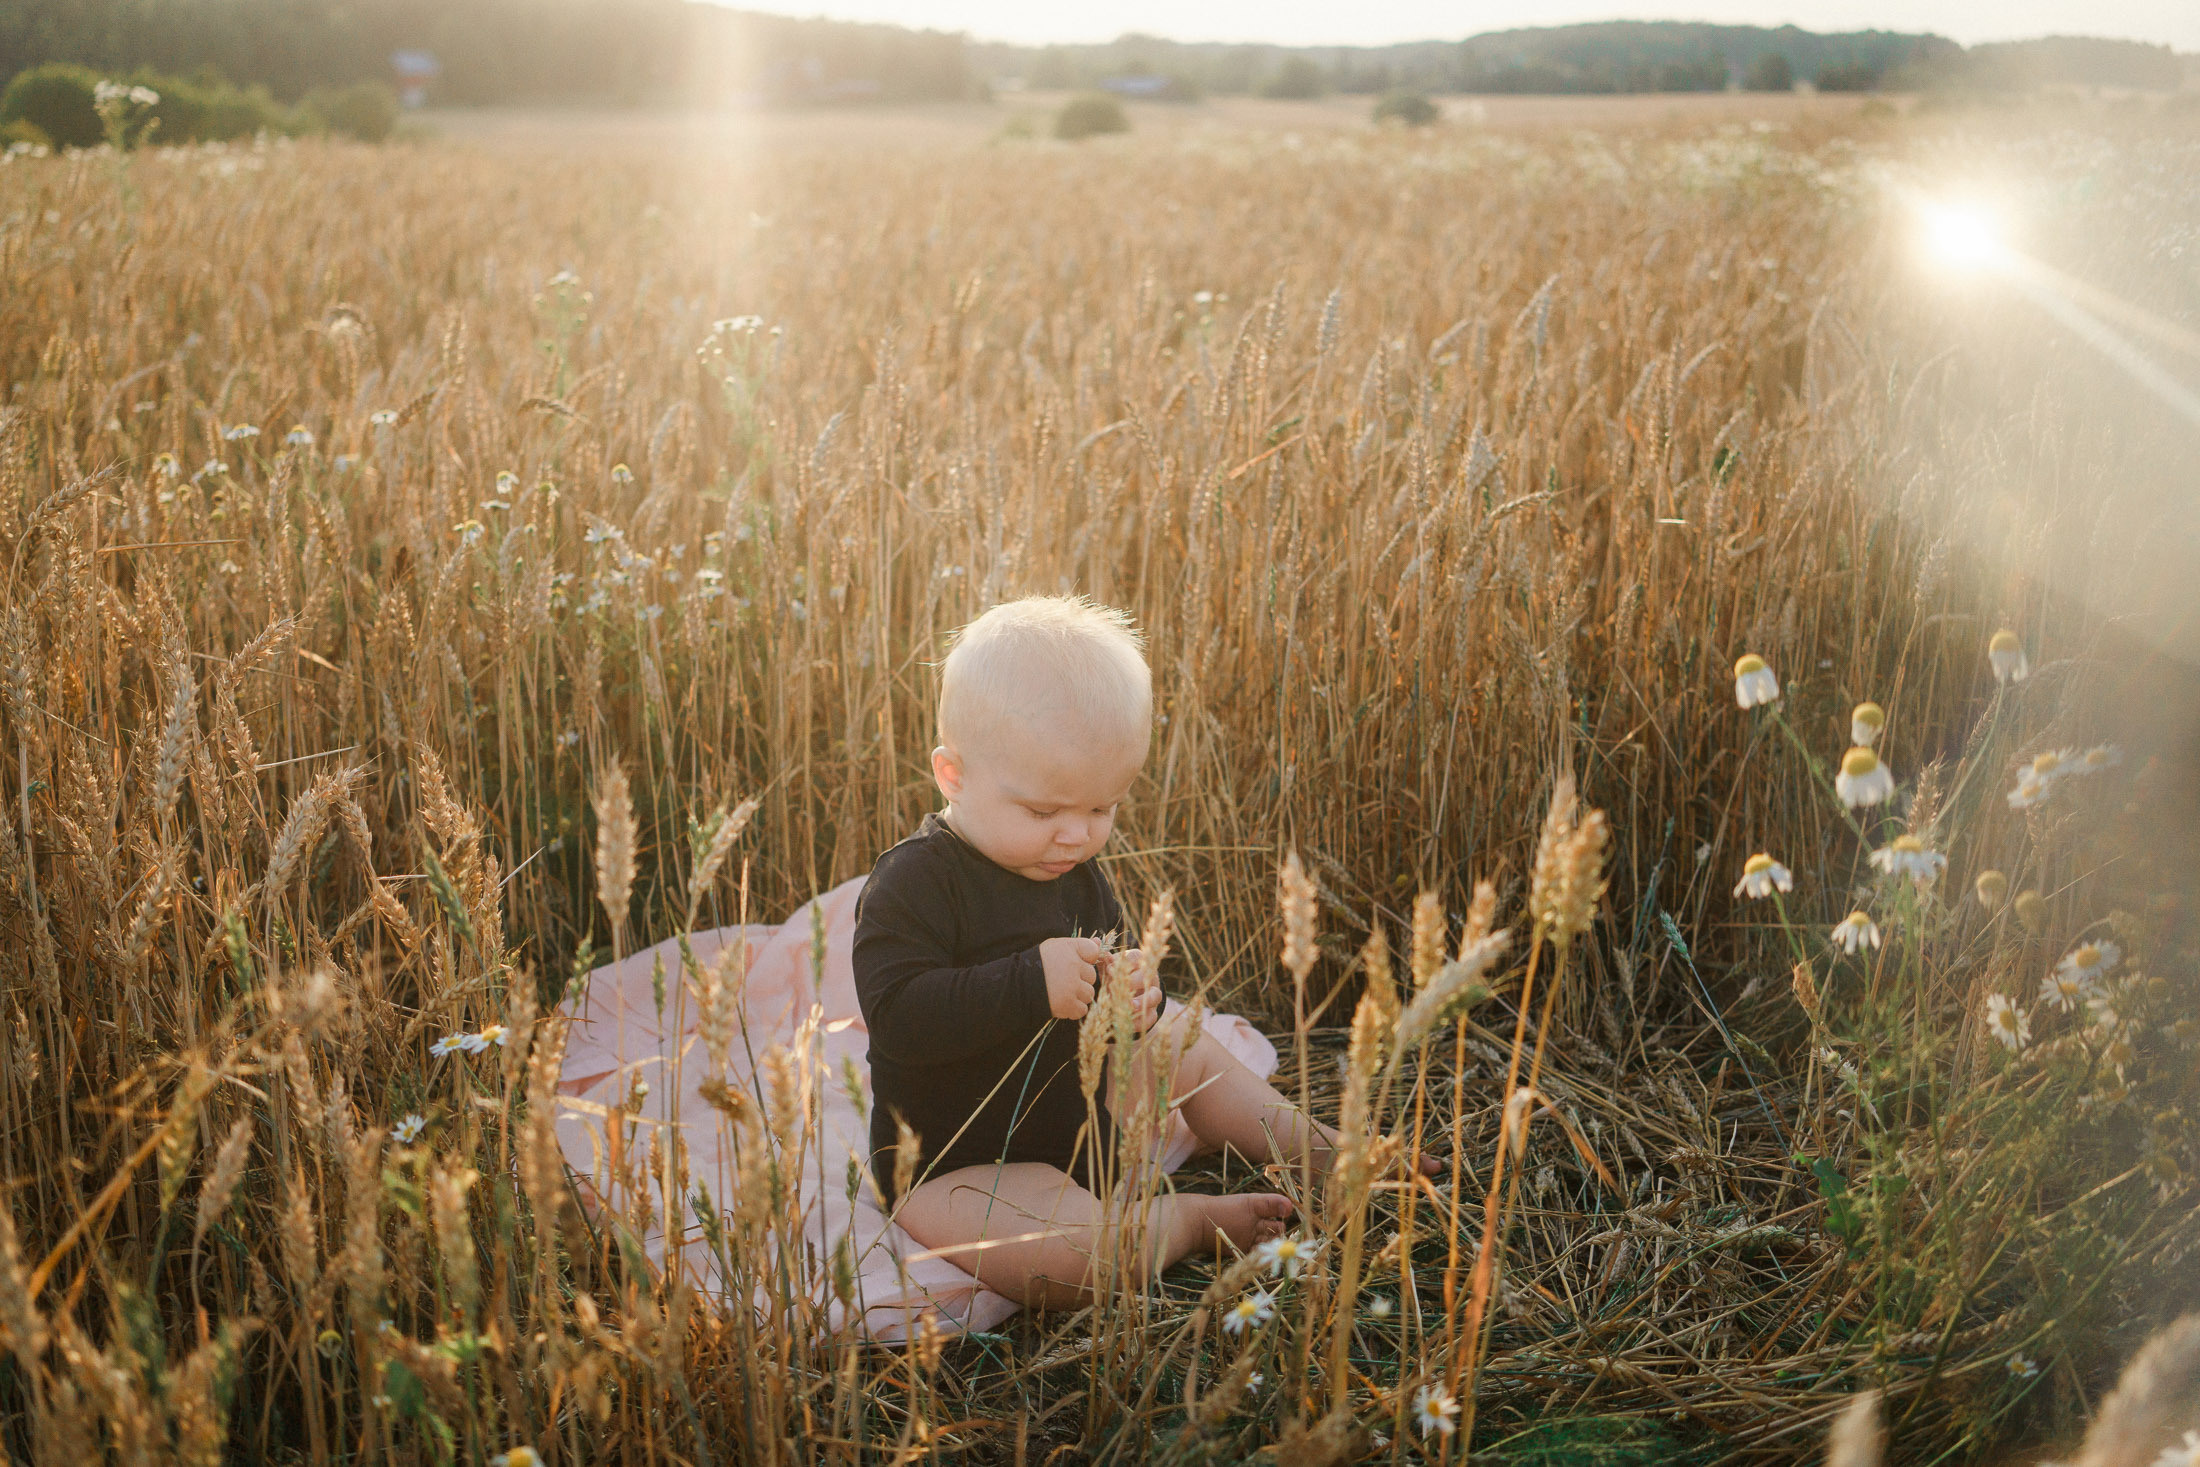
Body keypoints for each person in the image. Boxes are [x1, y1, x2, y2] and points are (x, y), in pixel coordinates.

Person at [852, 594, 1365, 1310]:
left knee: (1187, 1043)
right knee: (1081, 1262)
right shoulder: (914, 882)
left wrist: (1134, 1002)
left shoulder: (1074, 875)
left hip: (1075, 1113)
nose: (1077, 836)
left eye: (1102, 808)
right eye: (1044, 811)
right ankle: (1184, 1221)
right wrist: (1030, 981)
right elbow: (899, 1015)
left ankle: (1310, 1145)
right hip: (961, 1161)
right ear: (953, 774)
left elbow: (1114, 1000)